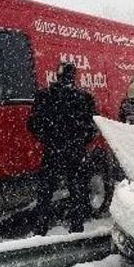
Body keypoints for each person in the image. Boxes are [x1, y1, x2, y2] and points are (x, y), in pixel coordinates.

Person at [27, 62, 98, 234]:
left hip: (52, 150)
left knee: (45, 193)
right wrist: (80, 141)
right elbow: (92, 128)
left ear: (57, 76)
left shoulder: (44, 96)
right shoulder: (84, 98)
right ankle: (76, 229)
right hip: (75, 151)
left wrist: (47, 138)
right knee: (77, 191)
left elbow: (33, 124)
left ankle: (40, 229)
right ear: (73, 76)